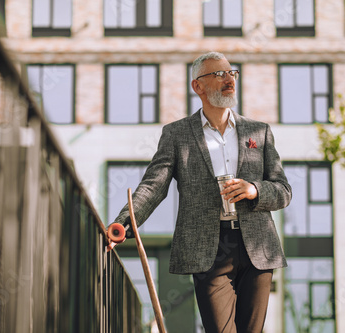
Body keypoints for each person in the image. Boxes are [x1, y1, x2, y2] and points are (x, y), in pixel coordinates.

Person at [111, 51, 292, 332]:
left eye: (232, 73)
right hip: (209, 248)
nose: (229, 79)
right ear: (198, 86)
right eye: (219, 74)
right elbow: (153, 185)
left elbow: (283, 190)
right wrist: (123, 222)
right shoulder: (177, 134)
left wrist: (254, 189)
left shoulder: (259, 132)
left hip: (257, 248)